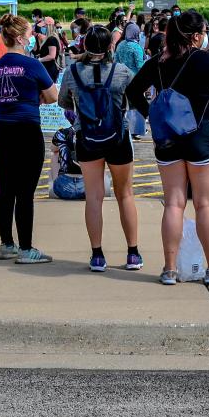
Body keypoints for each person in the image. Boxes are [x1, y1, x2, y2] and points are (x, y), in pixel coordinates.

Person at [126, 9, 209, 286]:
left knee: (174, 204)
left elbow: (133, 91)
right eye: (203, 32)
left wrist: (150, 113)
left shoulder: (157, 63)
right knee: (205, 205)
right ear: (195, 36)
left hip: (167, 137)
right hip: (202, 134)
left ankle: (169, 269)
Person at [58, 25, 140, 272]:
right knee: (124, 194)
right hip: (118, 136)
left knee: (94, 196)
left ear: (84, 45)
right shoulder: (122, 71)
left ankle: (97, 254)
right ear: (109, 47)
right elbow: (136, 99)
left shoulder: (72, 72)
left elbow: (63, 101)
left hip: (87, 137)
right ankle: (133, 253)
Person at [0, 14, 58, 263]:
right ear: (19, 38)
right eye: (29, 34)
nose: (32, 38)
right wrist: (36, 95)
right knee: (25, 192)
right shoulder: (32, 64)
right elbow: (53, 96)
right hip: (26, 129)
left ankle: (7, 243)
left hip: (1, 128)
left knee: (6, 189)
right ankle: (27, 249)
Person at [114, 23, 147, 140]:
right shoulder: (136, 46)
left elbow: (115, 61)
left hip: (121, 78)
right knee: (136, 105)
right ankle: (136, 130)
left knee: (123, 105)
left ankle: (124, 127)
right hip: (134, 79)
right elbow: (140, 65)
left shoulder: (120, 44)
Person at [48, 121, 85, 200]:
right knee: (98, 156)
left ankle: (54, 183)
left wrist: (65, 146)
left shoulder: (61, 133)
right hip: (87, 189)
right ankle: (103, 185)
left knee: (55, 154)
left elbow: (52, 149)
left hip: (63, 189)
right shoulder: (93, 132)